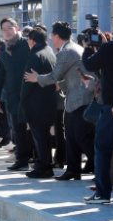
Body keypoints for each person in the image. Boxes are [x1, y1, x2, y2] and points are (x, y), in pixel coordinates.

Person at [24, 21, 95, 181]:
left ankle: (103, 166)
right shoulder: (75, 47)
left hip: (79, 99)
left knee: (81, 137)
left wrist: (37, 78)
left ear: (56, 36)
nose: (50, 38)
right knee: (71, 136)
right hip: (76, 98)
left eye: (51, 35)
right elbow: (66, 76)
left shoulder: (66, 52)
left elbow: (54, 76)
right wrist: (59, 84)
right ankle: (73, 169)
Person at [81, 9, 113, 203]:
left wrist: (88, 46)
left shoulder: (110, 47)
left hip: (111, 103)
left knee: (102, 148)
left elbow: (89, 64)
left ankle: (103, 193)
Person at [0, 17, 32, 171]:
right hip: (12, 95)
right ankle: (22, 160)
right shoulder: (3, 48)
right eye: (4, 29)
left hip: (30, 93)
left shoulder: (26, 44)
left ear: (17, 28)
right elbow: (0, 74)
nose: (7, 31)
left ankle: (41, 161)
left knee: (34, 129)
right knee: (17, 128)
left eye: (10, 28)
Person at [20, 27, 57, 178]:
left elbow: (27, 81)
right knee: (46, 136)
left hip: (36, 104)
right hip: (50, 100)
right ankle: (46, 164)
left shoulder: (35, 55)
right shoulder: (50, 53)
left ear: (32, 41)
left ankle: (43, 166)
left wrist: (22, 100)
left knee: (39, 136)